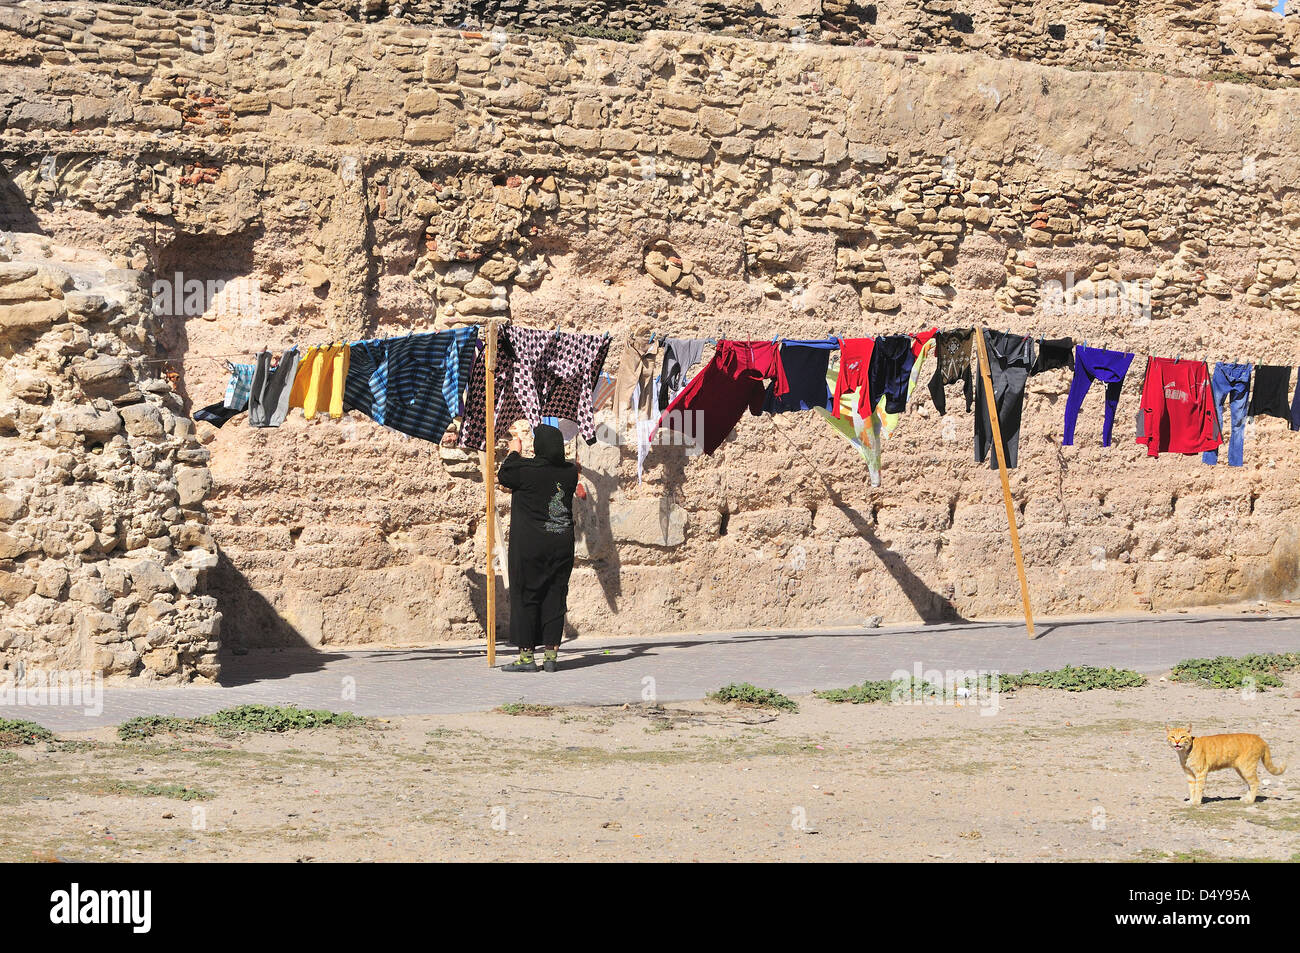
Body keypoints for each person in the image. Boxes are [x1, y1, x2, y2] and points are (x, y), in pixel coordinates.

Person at [496, 423, 587, 672]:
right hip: (560, 544)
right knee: (555, 597)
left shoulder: (524, 470)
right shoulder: (569, 473)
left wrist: (514, 451)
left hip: (529, 547)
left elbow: (505, 475)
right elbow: (566, 467)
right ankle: (550, 658)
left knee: (526, 597)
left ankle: (526, 659)